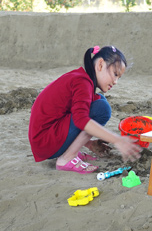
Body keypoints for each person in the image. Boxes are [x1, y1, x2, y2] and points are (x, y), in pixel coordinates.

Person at [29, 45, 141, 173]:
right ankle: (66, 158)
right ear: (100, 65)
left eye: (118, 78)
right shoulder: (82, 82)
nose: (115, 82)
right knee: (101, 109)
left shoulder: (81, 78)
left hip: (45, 138)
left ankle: (71, 151)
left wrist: (88, 143)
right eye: (115, 74)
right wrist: (117, 140)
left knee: (99, 100)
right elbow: (80, 120)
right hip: (44, 142)